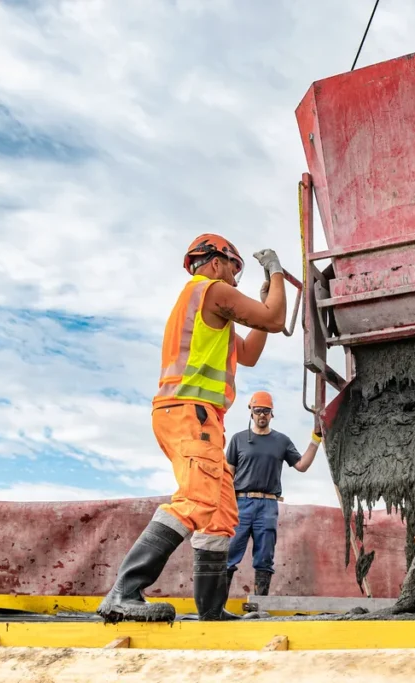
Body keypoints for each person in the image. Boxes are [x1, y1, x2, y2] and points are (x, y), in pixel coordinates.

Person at [97, 234, 287, 623]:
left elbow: (249, 353)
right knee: (197, 499)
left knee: (220, 512)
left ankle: (211, 611)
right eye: (234, 269)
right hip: (190, 414)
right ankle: (124, 591)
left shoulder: (205, 307)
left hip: (195, 416)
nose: (235, 279)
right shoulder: (211, 291)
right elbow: (275, 318)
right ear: (217, 262)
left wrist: (266, 302)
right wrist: (277, 275)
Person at [224, 391, 321, 599]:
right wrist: (224, 505)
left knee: (265, 556)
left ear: (272, 414)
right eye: (258, 410)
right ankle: (216, 606)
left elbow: (302, 466)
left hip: (267, 506)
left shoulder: (281, 441)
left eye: (266, 411)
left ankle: (259, 605)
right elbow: (227, 475)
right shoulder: (238, 440)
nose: (262, 415)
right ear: (251, 412)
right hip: (240, 503)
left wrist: (316, 439)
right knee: (229, 553)